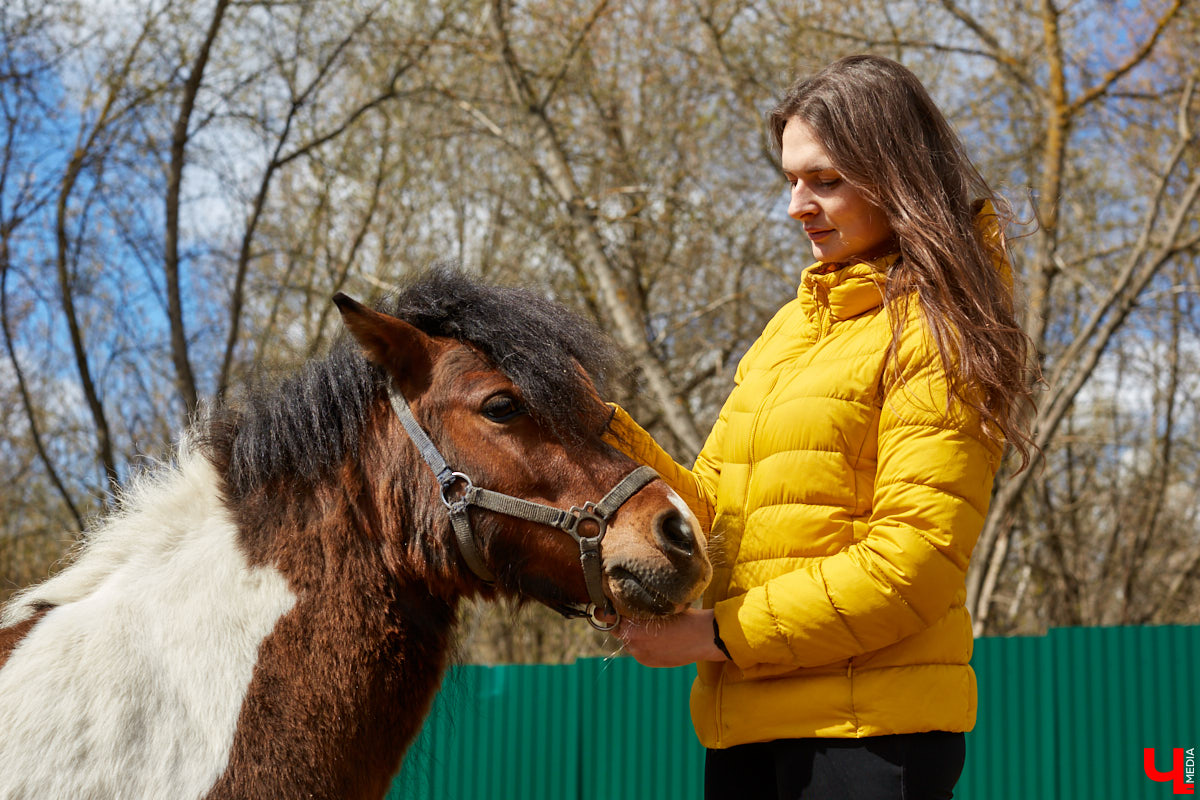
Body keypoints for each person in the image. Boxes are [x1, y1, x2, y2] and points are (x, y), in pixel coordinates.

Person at [604, 54, 1035, 800]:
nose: (796, 206)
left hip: (867, 742)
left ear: (899, 178)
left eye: (825, 180)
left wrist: (712, 635)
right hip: (748, 726)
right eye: (791, 181)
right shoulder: (790, 333)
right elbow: (715, 509)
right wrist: (594, 427)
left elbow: (912, 566)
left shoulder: (939, 332)